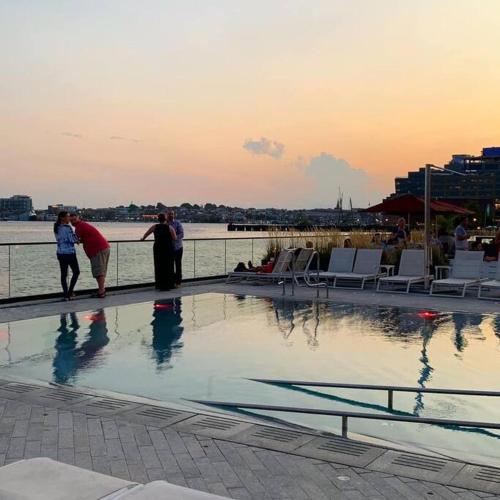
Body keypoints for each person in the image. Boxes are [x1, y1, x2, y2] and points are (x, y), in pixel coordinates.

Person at [70, 214, 110, 298]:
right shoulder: (83, 225)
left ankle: (101, 292)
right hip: (103, 247)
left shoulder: (79, 227)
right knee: (100, 270)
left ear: (78, 218)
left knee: (99, 271)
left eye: (74, 220)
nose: (72, 222)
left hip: (98, 249)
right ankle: (101, 290)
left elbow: (76, 241)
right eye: (71, 220)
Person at [141, 213, 177, 290]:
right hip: (168, 248)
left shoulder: (154, 227)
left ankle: (159, 284)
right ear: (165, 219)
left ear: (158, 219)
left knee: (158, 266)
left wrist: (142, 239)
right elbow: (175, 238)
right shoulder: (170, 227)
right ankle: (169, 284)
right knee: (168, 266)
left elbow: (146, 234)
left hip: (158, 248)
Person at [54, 211, 80, 300]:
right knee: (76, 272)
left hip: (61, 253)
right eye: (68, 216)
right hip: (70, 253)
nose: (70, 218)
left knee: (63, 274)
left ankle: (66, 294)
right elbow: (71, 239)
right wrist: (77, 240)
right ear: (62, 218)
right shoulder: (67, 227)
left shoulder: (56, 227)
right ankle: (70, 292)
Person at [167, 210, 184, 287]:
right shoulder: (165, 224)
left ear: (174, 215)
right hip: (169, 248)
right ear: (167, 215)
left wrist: (175, 238)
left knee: (178, 265)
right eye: (169, 214)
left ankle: (178, 282)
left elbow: (182, 234)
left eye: (172, 214)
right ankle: (171, 282)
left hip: (178, 247)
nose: (171, 215)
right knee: (169, 265)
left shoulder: (178, 223)